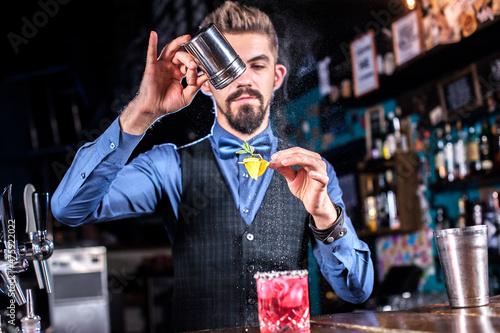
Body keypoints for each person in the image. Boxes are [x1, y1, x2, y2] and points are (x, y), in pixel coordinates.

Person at [51, 1, 374, 331]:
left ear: (277, 77)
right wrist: (142, 112)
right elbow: (69, 208)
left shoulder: (313, 174)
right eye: (229, 68)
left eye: (257, 66)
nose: (243, 80)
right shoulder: (170, 167)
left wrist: (325, 216)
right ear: (206, 81)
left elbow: (357, 291)